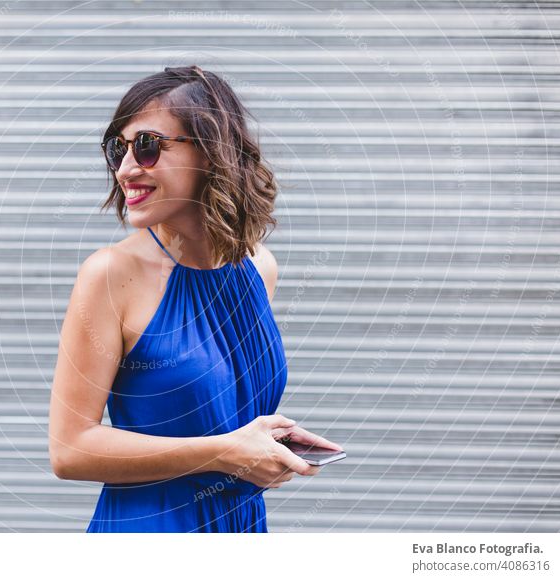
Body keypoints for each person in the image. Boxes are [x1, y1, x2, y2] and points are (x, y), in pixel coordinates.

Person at [49, 64, 341, 533]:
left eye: (147, 147)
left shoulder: (257, 266)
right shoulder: (110, 274)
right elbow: (69, 450)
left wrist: (265, 442)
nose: (125, 169)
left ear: (210, 154)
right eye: (116, 149)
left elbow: (219, 411)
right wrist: (225, 452)